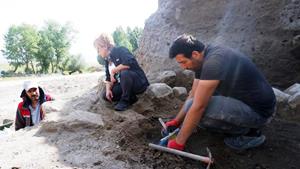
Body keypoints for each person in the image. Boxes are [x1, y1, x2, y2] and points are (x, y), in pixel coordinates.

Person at [164, 34, 276, 150]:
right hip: (245, 101)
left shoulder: (213, 62)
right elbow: (193, 93)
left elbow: (199, 106)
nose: (183, 67)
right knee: (190, 107)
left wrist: (179, 142)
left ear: (195, 54)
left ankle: (250, 134)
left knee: (200, 114)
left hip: (260, 112)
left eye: (183, 62)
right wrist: (177, 121)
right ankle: (242, 125)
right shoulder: (203, 59)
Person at [94, 33, 149, 111]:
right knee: (106, 95)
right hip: (124, 85)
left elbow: (129, 62)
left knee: (125, 73)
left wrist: (113, 71)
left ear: (105, 46)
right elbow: (108, 78)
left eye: (98, 49)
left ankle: (125, 101)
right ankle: (131, 97)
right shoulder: (107, 61)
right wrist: (108, 90)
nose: (98, 52)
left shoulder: (120, 50)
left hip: (137, 82)